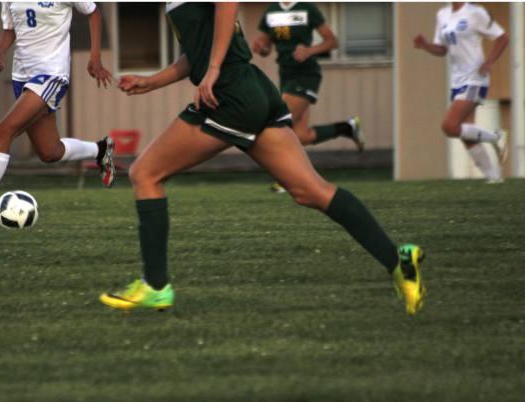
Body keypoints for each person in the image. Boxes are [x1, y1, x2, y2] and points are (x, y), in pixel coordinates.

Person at [99, 2, 425, 316]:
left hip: (230, 92)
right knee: (311, 191)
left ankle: (155, 286)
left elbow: (228, 4)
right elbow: (196, 52)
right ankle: (398, 259)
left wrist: (213, 71)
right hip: (251, 87)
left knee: (146, 173)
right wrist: (152, 81)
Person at [0, 2, 114, 228]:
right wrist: (0, 51)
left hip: (51, 74)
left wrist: (95, 57)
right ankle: (100, 149)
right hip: (22, 76)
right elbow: (10, 26)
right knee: (49, 151)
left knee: (3, 131)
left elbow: (93, 12)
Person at [252, 2, 364, 193]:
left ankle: (286, 179)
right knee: (301, 135)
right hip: (286, 76)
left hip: (306, 75)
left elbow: (332, 41)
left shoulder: (307, 8)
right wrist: (261, 47)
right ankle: (347, 127)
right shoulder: (271, 11)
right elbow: (266, 46)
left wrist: (309, 50)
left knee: (279, 123)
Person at [414, 2, 509, 183]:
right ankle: (494, 178)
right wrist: (425, 45)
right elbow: (442, 49)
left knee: (449, 126)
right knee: (465, 133)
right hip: (456, 80)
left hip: (475, 77)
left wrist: (489, 62)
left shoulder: (475, 13)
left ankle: (496, 137)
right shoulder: (442, 14)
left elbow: (502, 37)